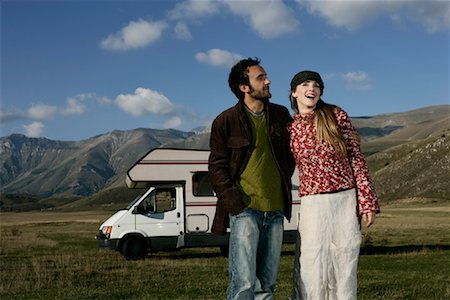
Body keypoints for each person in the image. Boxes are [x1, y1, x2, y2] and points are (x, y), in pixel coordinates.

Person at [288, 70, 380, 300]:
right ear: (294, 92)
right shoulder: (291, 128)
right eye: (306, 84)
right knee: (312, 263)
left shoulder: (335, 116)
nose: (312, 89)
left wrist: (366, 201)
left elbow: (356, 158)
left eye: (317, 85)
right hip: (312, 202)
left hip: (343, 200)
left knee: (344, 262)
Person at [208, 57, 295, 300]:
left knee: (267, 284)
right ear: (244, 87)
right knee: (243, 283)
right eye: (260, 78)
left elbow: (290, 157)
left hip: (276, 210)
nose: (268, 81)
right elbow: (216, 169)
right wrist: (236, 204)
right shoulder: (225, 121)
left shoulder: (280, 115)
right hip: (245, 210)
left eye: (265, 76)